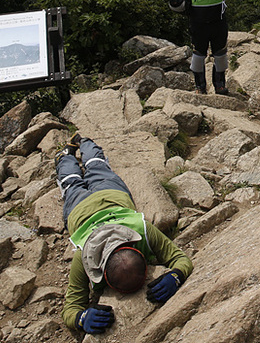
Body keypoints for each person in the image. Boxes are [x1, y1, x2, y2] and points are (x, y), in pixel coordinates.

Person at [55, 135, 194, 334]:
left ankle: (71, 151)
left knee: (80, 177)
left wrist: (80, 317)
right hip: (88, 206)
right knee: (87, 174)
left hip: (106, 198)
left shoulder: (87, 253)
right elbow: (179, 259)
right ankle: (82, 144)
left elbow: (72, 306)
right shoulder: (139, 230)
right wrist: (176, 274)